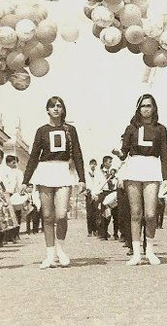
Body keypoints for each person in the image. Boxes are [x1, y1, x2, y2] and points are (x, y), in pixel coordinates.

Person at [21, 96, 86, 269]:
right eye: (52, 106)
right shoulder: (41, 131)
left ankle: (61, 249)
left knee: (62, 214)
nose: (56, 109)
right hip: (45, 172)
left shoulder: (70, 130)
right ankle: (50, 255)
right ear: (47, 110)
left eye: (59, 106)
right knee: (48, 216)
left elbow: (78, 154)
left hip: (63, 172)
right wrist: (25, 181)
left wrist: (82, 179)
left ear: (63, 109)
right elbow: (34, 156)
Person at [118, 93, 167, 266]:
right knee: (136, 213)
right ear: (138, 109)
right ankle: (137, 253)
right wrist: (118, 153)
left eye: (149, 106)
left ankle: (150, 251)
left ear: (154, 108)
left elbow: (165, 154)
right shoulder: (131, 128)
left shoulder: (161, 129)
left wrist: (166, 178)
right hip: (134, 168)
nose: (146, 109)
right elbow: (124, 152)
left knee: (150, 213)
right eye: (143, 106)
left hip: (152, 168)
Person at [84, 159, 103, 237]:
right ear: (89, 165)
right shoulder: (86, 174)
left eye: (94, 164)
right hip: (89, 195)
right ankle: (89, 231)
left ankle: (95, 230)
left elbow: (100, 184)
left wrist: (97, 193)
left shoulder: (98, 174)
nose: (93, 165)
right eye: (91, 164)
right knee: (89, 214)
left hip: (96, 194)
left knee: (96, 213)